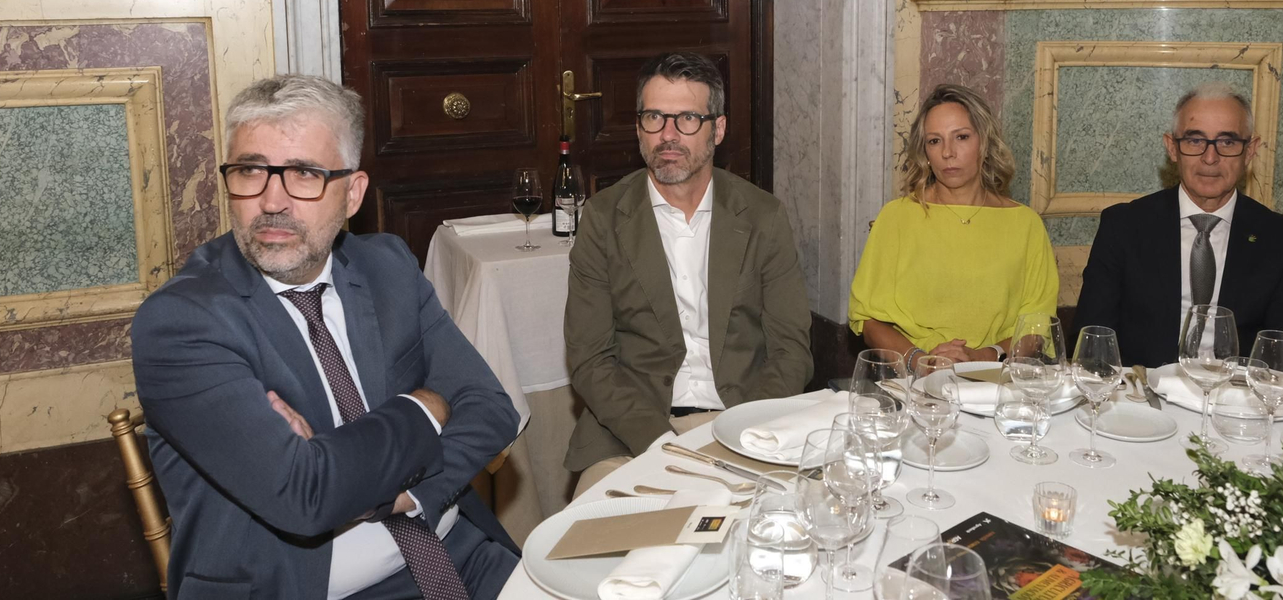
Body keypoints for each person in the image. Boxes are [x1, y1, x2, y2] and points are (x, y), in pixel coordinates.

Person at [131, 75, 519, 600]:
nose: (272, 201)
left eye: (304, 174)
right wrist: (426, 407)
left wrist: (392, 495)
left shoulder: (386, 265)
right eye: (250, 171)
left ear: (353, 193)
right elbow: (305, 496)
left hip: (459, 553)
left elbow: (491, 407)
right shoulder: (183, 322)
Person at [564, 52, 812, 494]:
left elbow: (791, 350)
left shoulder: (762, 216)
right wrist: (660, 443)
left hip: (742, 421)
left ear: (717, 128)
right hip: (632, 431)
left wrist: (740, 434)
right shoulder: (603, 219)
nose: (668, 135)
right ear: (639, 127)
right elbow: (591, 361)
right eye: (655, 118)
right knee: (603, 546)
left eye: (687, 119)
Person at [1072, 82, 1283, 369]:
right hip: (1141, 399)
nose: (1210, 158)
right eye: (1195, 141)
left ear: (1250, 151)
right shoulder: (1124, 227)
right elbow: (1092, 343)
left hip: (1235, 402)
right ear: (1172, 148)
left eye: (1227, 142)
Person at [849, 84, 1058, 368]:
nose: (948, 152)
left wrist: (982, 357)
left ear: (984, 142)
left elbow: (1037, 326)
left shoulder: (1025, 224)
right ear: (924, 152)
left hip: (998, 382)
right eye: (934, 141)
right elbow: (868, 319)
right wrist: (921, 361)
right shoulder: (897, 217)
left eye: (961, 137)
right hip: (910, 383)